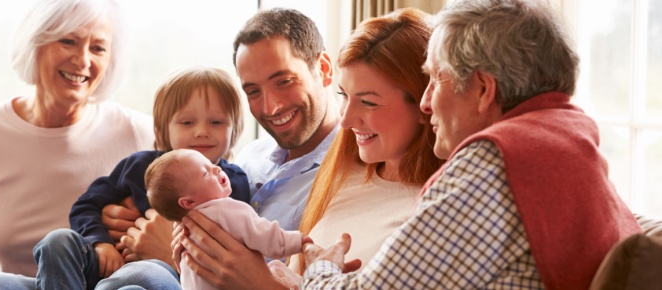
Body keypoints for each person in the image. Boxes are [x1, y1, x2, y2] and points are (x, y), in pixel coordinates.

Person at [300, 0, 641, 289]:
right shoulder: (568, 135)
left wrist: (319, 268)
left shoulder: (495, 163)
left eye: (436, 79)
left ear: (482, 89)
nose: (426, 102)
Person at [0, 0, 156, 289]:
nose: (83, 60)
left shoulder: (138, 132)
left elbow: (199, 214)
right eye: (69, 41)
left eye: (98, 48)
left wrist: (153, 235)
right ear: (34, 42)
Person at [103, 8, 342, 289]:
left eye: (284, 81)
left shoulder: (344, 173)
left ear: (324, 69)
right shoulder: (250, 158)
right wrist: (115, 218)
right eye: (253, 91)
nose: (270, 107)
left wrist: (171, 253)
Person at [31, 67, 249, 290]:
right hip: (104, 266)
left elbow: (232, 246)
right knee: (56, 241)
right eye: (187, 123)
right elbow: (86, 205)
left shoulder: (234, 181)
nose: (202, 131)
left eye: (216, 123)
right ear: (164, 129)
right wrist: (100, 243)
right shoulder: (139, 167)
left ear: (235, 129)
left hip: (164, 276)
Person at [272, 7, 445, 284]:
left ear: (425, 104)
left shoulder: (435, 211)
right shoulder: (344, 173)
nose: (346, 120)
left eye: (368, 102)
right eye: (343, 95)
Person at [146, 148, 311, 290]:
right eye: (205, 172)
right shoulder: (227, 210)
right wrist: (297, 241)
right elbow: (265, 237)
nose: (217, 169)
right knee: (276, 267)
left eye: (213, 165)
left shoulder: (185, 229)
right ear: (188, 202)